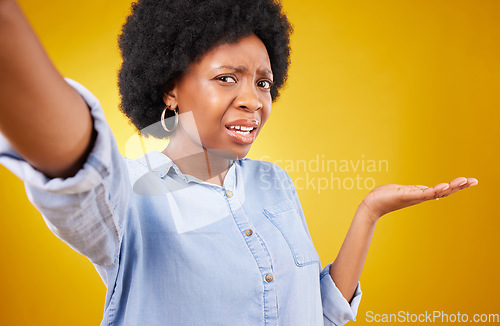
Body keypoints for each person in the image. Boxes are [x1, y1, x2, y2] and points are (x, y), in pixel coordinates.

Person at [0, 0, 478, 325]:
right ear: (170, 88)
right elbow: (76, 164)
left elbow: (317, 313)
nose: (253, 100)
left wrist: (369, 212)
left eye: (263, 83)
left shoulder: (274, 183)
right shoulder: (131, 193)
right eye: (227, 78)